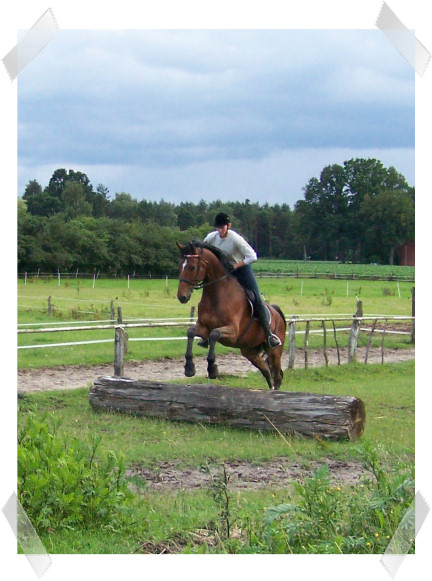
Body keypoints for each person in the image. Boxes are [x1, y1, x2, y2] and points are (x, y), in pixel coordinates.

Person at [202, 212, 282, 349]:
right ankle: (207, 333)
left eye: (222, 227)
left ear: (228, 226)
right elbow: (202, 250)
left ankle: (269, 334)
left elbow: (253, 256)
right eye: (218, 228)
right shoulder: (211, 237)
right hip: (225, 272)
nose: (220, 231)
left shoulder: (235, 239)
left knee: (256, 298)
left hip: (242, 270)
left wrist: (235, 266)